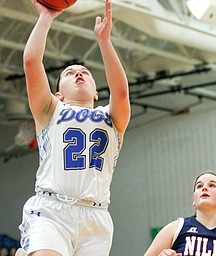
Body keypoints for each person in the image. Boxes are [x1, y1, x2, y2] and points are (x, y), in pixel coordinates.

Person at [16, 0, 130, 255]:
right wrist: (46, 17)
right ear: (58, 94)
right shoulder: (50, 110)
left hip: (96, 217)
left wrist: (104, 41)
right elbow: (31, 61)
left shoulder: (112, 117)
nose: (79, 74)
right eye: (69, 73)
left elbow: (121, 92)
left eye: (85, 72)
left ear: (97, 93)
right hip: (51, 209)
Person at [144, 171, 216, 256]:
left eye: (211, 185)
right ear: (194, 200)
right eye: (199, 186)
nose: (204, 188)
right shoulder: (176, 228)